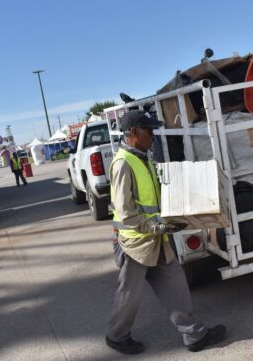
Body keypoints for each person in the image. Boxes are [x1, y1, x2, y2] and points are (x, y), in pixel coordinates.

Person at [105, 109, 226, 355]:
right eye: (148, 130)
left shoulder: (144, 158)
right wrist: (157, 225)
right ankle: (117, 336)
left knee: (176, 285)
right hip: (135, 243)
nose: (153, 134)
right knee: (129, 294)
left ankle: (194, 334)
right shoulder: (122, 164)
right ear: (133, 133)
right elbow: (126, 212)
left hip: (156, 238)